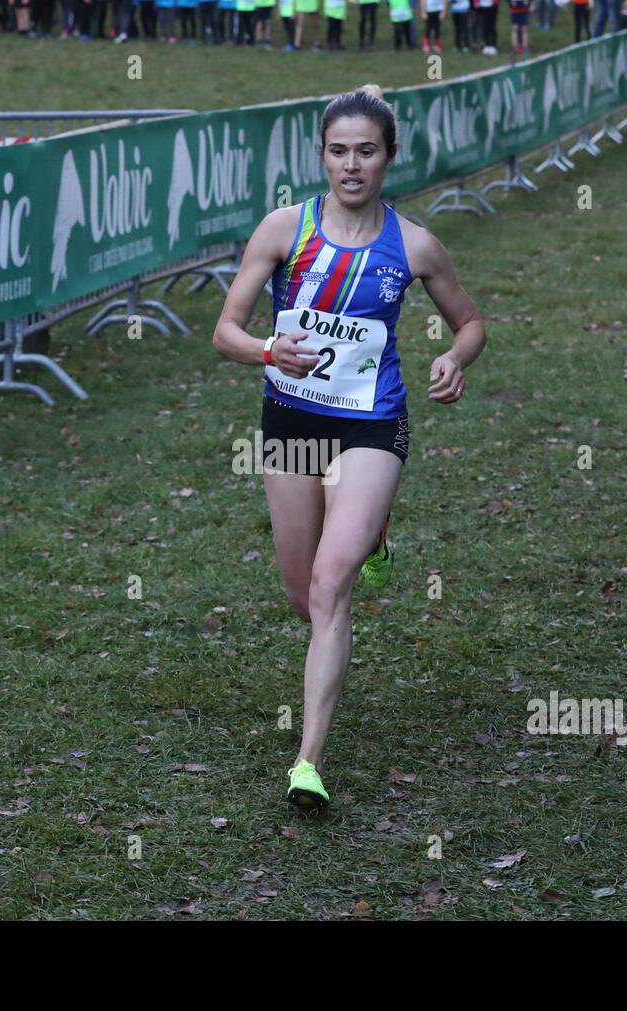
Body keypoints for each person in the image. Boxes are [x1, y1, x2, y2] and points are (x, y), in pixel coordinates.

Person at [212, 84, 486, 811]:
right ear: (322, 157)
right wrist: (270, 349)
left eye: (367, 151)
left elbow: (470, 322)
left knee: (334, 584)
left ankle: (308, 761)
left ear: (389, 157)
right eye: (339, 151)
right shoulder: (283, 231)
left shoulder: (416, 245)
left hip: (371, 424)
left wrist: (455, 359)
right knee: (303, 596)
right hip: (295, 425)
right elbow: (225, 331)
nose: (352, 165)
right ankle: (374, 528)